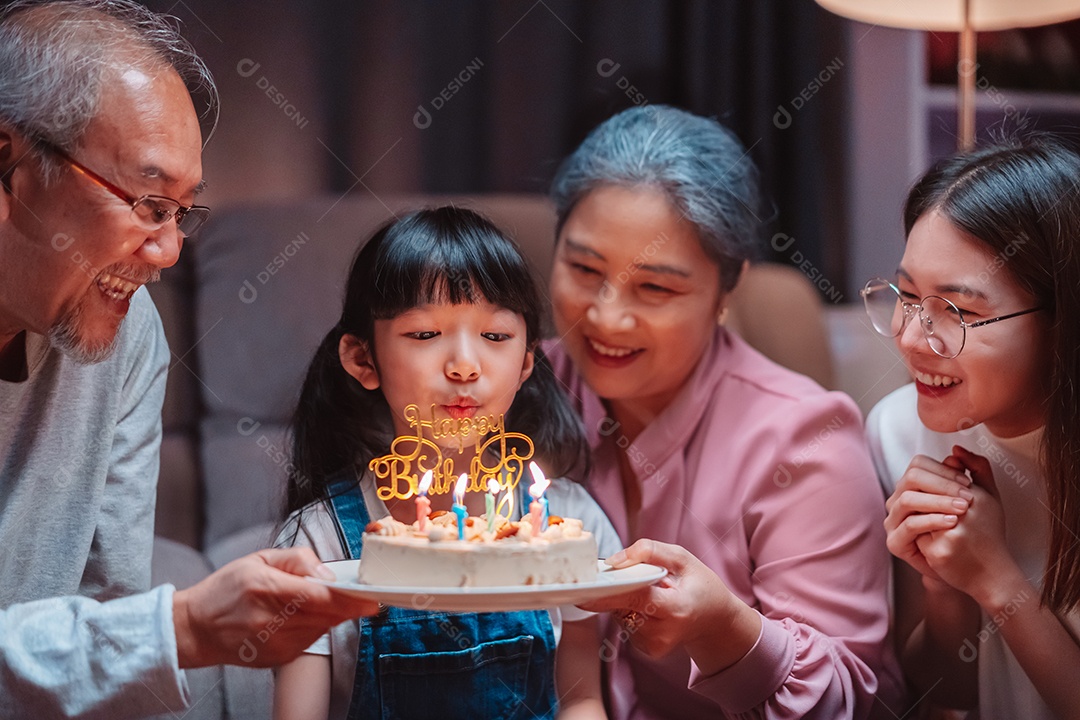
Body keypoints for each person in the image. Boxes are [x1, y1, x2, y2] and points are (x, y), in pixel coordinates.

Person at [0, 2, 376, 717]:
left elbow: (105, 620)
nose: (169, 252)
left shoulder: (130, 334)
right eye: (147, 203)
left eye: (182, 212)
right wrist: (186, 628)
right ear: (9, 163)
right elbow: (128, 638)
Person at [542, 105, 904, 718]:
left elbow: (863, 701)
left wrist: (728, 632)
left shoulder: (802, 439)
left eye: (654, 288)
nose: (605, 317)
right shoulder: (508, 390)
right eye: (583, 269)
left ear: (727, 289)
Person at [272, 207, 622, 720]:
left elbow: (581, 698)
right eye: (424, 335)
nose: (464, 365)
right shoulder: (319, 544)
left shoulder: (565, 526)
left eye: (496, 337)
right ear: (363, 360)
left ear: (526, 361)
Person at [866, 137, 1080, 719]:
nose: (911, 339)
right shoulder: (900, 430)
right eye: (908, 296)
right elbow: (950, 693)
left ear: (1062, 320)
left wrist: (998, 582)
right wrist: (945, 589)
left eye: (958, 311)